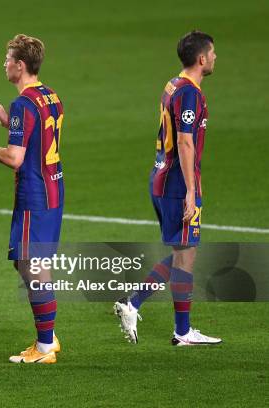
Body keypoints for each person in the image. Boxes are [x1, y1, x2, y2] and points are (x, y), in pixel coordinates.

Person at [114, 31, 222, 346]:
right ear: (202, 58)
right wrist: (191, 190)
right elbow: (186, 142)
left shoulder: (172, 84)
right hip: (177, 183)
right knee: (185, 252)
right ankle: (134, 304)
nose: (215, 57)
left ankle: (182, 331)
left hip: (162, 176)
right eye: (213, 52)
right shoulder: (190, 93)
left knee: (183, 251)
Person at [0, 34, 63, 364]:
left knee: (32, 268)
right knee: (36, 265)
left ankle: (45, 345)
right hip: (54, 189)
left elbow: (14, 159)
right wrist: (8, 123)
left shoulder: (24, 103)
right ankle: (48, 336)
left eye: (7, 59)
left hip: (34, 194)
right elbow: (41, 136)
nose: (3, 64)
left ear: (20, 65)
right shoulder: (49, 95)